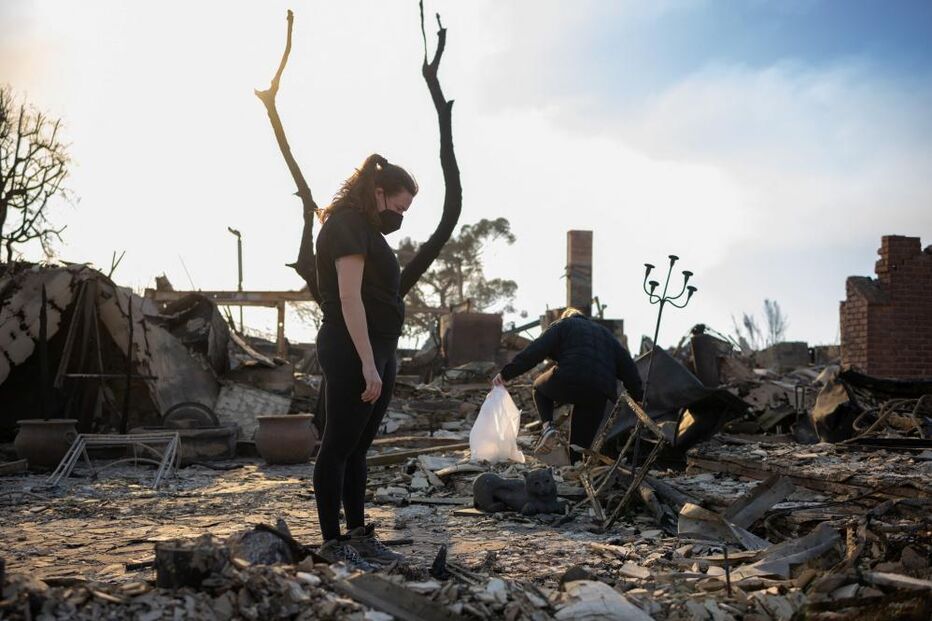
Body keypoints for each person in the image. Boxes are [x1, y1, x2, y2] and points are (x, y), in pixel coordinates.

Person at [313, 153, 417, 568]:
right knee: (337, 446)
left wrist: (381, 358)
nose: (400, 217)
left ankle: (358, 535)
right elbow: (349, 297)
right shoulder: (347, 226)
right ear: (378, 192)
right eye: (399, 207)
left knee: (358, 448)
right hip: (352, 348)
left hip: (379, 349)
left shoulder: (369, 231)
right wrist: (367, 363)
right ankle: (332, 543)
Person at [493, 308, 643, 462]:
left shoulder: (563, 325)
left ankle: (548, 428)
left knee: (539, 388)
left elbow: (536, 350)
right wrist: (638, 397)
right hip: (599, 391)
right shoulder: (607, 336)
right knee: (579, 444)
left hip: (570, 376)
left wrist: (506, 374)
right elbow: (629, 367)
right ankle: (576, 467)